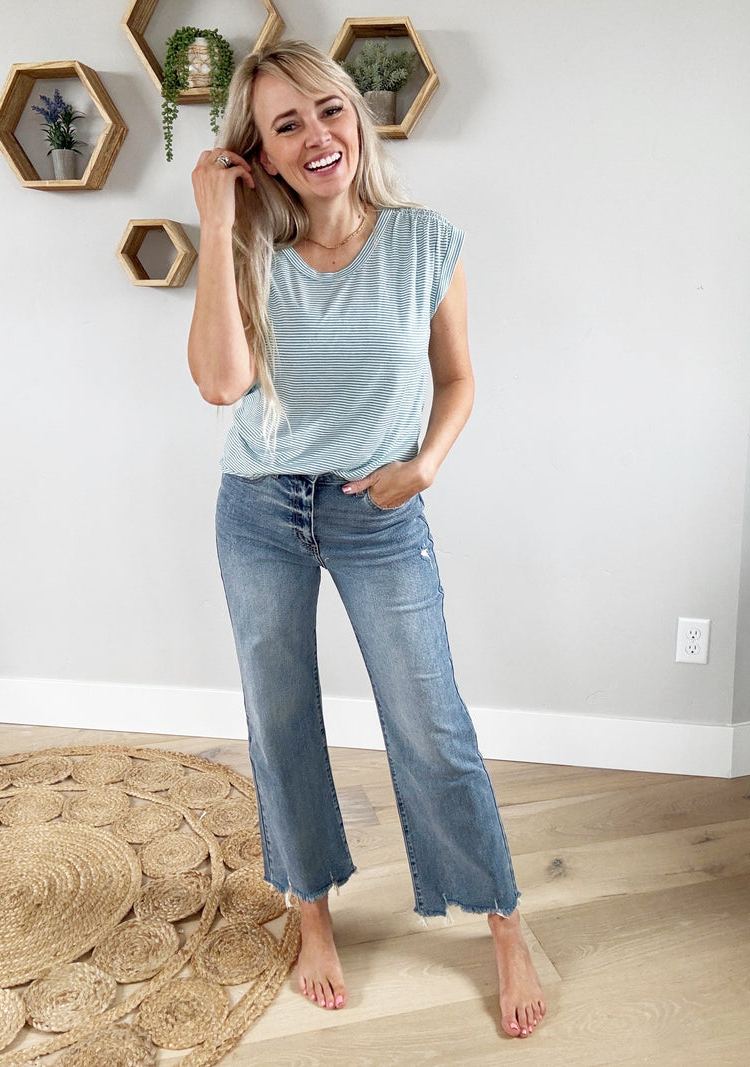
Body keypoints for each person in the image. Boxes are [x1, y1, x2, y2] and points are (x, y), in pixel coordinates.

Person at [188, 40, 546, 1039]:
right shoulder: (250, 250)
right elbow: (220, 386)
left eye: (327, 111)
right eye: (285, 124)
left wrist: (425, 463)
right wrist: (218, 223)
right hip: (258, 509)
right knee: (281, 717)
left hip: (378, 508)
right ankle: (313, 916)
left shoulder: (425, 242)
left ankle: (501, 918)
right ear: (256, 150)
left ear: (357, 116)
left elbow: (457, 376)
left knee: (429, 720)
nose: (316, 137)